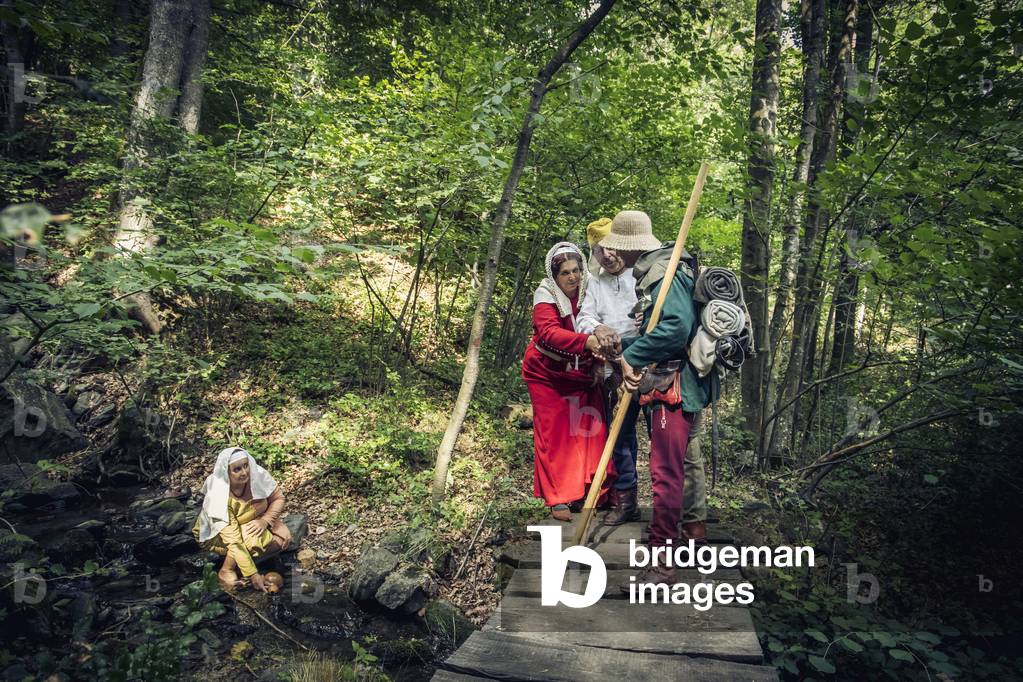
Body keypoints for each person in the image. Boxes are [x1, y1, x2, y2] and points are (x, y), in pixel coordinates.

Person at [617, 229, 718, 588]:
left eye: (617, 246)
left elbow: (674, 331)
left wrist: (630, 355)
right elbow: (659, 329)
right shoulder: (664, 271)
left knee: (665, 474)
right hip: (677, 382)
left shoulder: (666, 275)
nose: (613, 253)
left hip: (673, 387)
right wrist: (622, 347)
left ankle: (662, 563)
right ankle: (689, 536)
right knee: (677, 467)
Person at [576, 210, 663, 525]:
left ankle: (665, 508)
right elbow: (584, 317)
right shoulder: (595, 280)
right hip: (615, 367)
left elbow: (663, 313)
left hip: (652, 365)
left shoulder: (643, 271)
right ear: (594, 252)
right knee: (621, 434)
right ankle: (626, 501)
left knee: (661, 436)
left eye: (612, 247)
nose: (608, 254)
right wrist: (598, 329)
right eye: (601, 250)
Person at [522, 241, 614, 521]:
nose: (572, 277)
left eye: (576, 270)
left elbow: (600, 322)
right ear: (555, 276)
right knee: (555, 435)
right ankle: (559, 497)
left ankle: (591, 491)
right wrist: (587, 342)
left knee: (590, 428)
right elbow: (549, 333)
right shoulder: (545, 294)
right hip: (547, 373)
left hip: (583, 372)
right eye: (565, 273)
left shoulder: (590, 290)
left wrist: (598, 359)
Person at [193, 447, 292, 591]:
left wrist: (267, 521)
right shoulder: (219, 496)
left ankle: (242, 565)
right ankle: (226, 569)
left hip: (248, 521)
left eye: (246, 466)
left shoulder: (256, 475)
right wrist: (253, 575)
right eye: (237, 469)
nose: (244, 472)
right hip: (217, 535)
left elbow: (278, 498)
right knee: (254, 539)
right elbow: (234, 541)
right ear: (226, 472)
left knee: (281, 541)